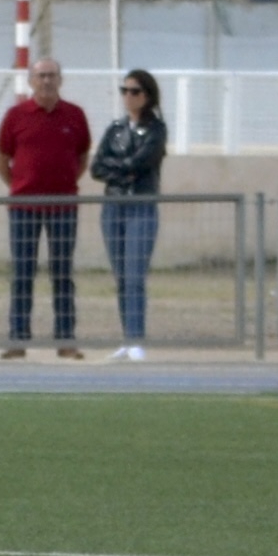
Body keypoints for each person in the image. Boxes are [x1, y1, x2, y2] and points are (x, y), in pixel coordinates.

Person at [0, 57, 89, 359]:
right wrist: (22, 186)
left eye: (52, 75)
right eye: (41, 76)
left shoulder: (75, 115)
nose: (46, 81)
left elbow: (82, 157)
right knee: (23, 272)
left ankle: (65, 339)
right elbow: (1, 162)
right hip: (24, 208)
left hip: (63, 208)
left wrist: (63, 184)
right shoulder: (16, 116)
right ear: (31, 81)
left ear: (60, 80)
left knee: (62, 272)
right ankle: (18, 338)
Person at [92, 67, 168, 361]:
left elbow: (142, 163)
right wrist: (121, 169)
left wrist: (118, 167)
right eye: (125, 91)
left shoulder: (156, 130)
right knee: (121, 275)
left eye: (134, 91)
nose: (128, 96)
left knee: (135, 274)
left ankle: (136, 337)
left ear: (147, 95)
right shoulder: (115, 129)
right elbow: (97, 167)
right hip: (114, 206)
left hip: (141, 206)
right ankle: (126, 336)